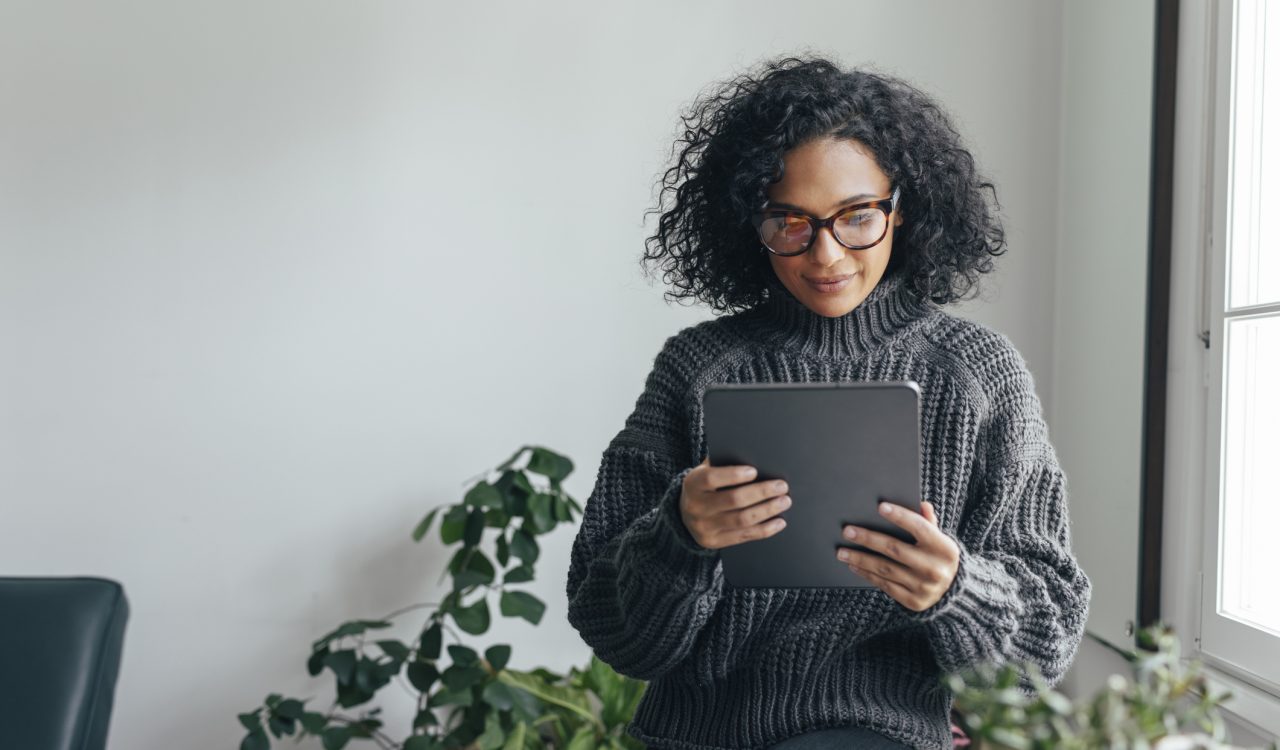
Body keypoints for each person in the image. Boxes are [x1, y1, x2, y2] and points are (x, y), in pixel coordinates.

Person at [564, 53, 1092, 750]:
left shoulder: (979, 374)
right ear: (747, 220)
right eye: (790, 222)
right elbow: (611, 628)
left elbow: (1041, 649)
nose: (826, 255)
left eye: (855, 217)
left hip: (884, 731)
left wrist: (956, 590)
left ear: (903, 210)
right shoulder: (696, 368)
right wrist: (680, 536)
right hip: (700, 735)